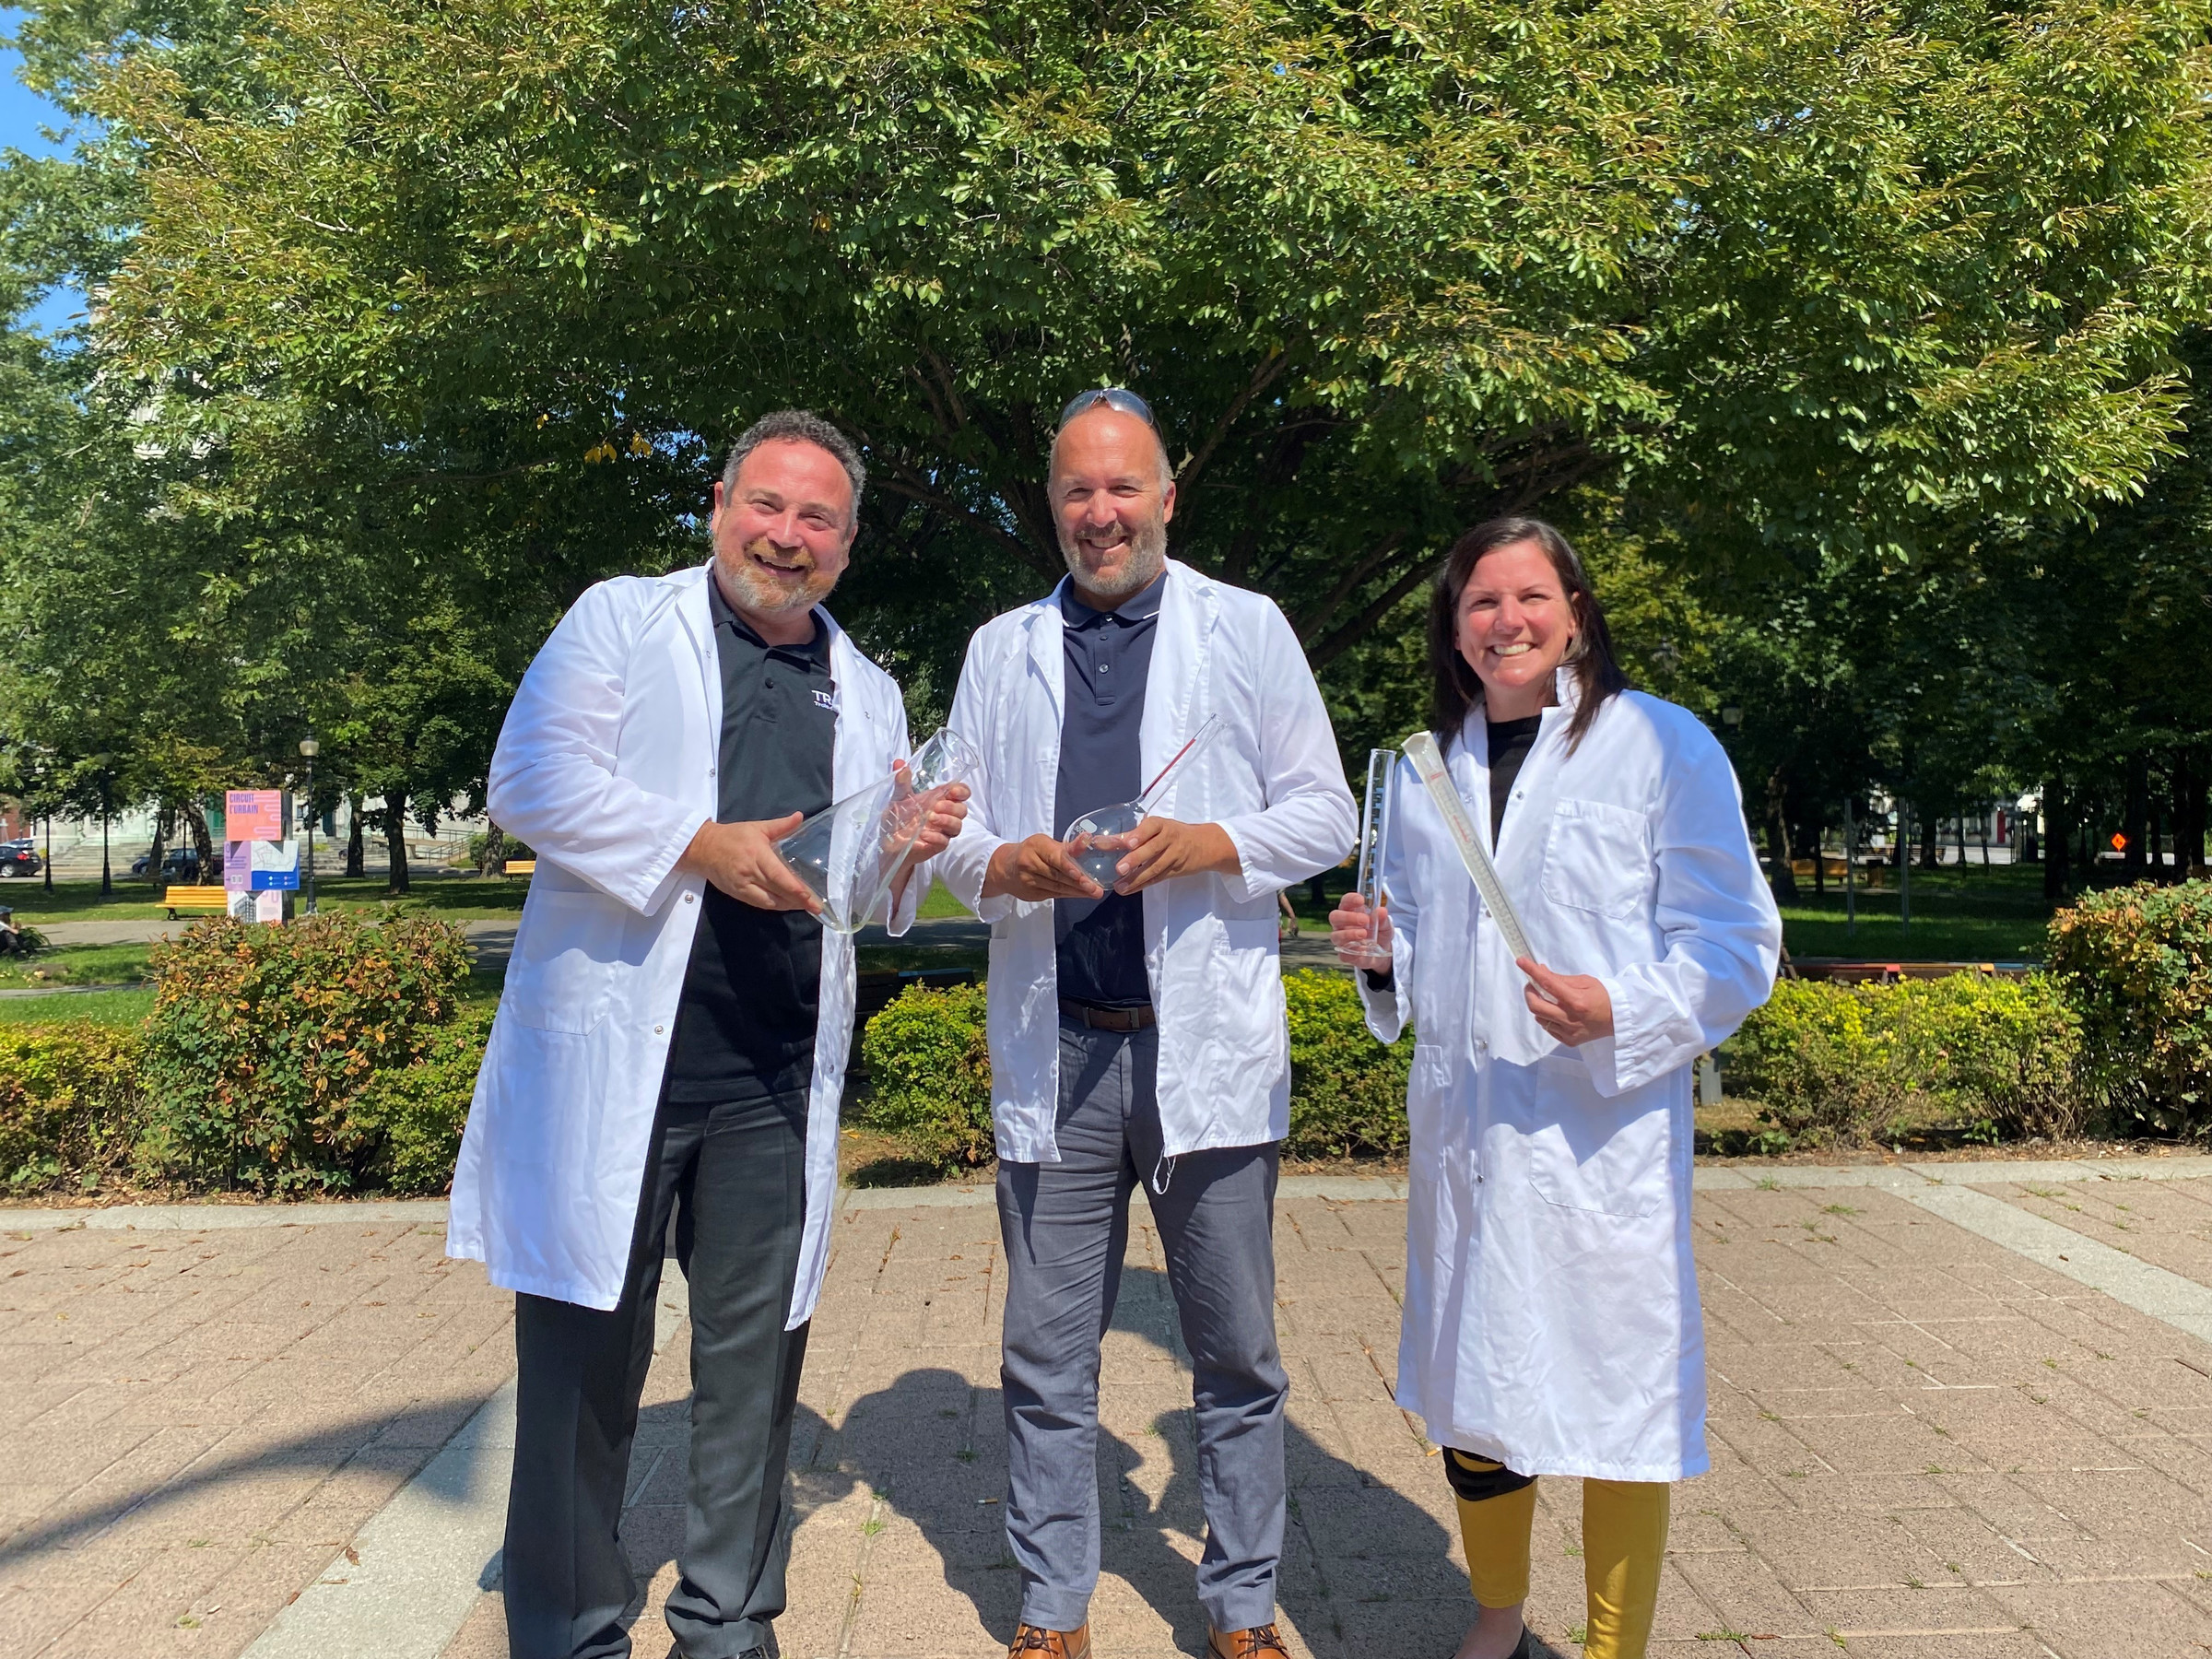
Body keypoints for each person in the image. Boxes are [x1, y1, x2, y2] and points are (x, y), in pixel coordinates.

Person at [446, 410, 968, 1659]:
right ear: (721, 505)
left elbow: (859, 896)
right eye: (768, 507)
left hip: (774, 1076)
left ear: (847, 543)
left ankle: (729, 1621)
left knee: (753, 1369)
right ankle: (569, 1628)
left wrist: (906, 853)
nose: (788, 538)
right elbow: (528, 776)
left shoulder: (871, 687)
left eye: (818, 520)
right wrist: (700, 844)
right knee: (582, 1371)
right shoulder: (623, 619)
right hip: (620, 1064)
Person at [935, 388, 1356, 1659]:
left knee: (1235, 1351)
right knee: (1046, 1354)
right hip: (1058, 1045)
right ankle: (1053, 1605)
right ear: (1051, 506)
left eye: (1124, 488)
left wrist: (1213, 840)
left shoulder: (1250, 630)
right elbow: (947, 831)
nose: (1101, 512)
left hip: (1200, 1049)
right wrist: (999, 865)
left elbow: (1327, 814)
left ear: (1168, 497)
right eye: (1077, 491)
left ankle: (1239, 1604)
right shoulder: (1000, 649)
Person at [1328, 517, 1779, 1659]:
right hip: (1472, 1132)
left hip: (1597, 1137)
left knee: (1621, 1399)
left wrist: (1621, 1009)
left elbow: (1735, 943)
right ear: (1454, 625)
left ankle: (1614, 1645)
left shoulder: (1660, 746)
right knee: (1476, 1378)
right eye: (1482, 602)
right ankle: (1497, 1615)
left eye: (1531, 596)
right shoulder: (1430, 767)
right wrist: (1381, 953)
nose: (1507, 621)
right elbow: (1430, 945)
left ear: (1576, 611)